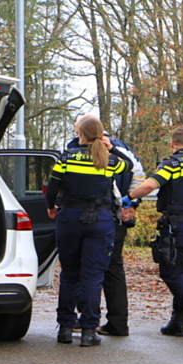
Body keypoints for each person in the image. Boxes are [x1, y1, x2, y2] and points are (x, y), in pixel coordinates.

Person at [123, 127, 183, 338]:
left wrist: (128, 197)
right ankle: (178, 322)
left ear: (173, 145)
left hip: (178, 225)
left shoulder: (172, 164)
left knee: (170, 270)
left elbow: (150, 185)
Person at [46, 117, 133, 347]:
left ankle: (65, 328)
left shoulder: (66, 157)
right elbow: (129, 165)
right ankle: (88, 331)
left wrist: (50, 207)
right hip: (100, 220)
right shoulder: (110, 160)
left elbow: (53, 186)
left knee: (69, 275)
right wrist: (110, 147)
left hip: (70, 218)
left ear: (80, 135)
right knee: (93, 277)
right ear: (101, 135)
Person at [66, 114, 146, 337]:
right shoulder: (121, 149)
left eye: (78, 130)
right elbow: (138, 175)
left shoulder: (78, 150)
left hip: (95, 216)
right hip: (114, 217)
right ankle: (116, 322)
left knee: (86, 268)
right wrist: (131, 205)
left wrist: (130, 204)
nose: (77, 135)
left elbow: (136, 174)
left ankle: (89, 319)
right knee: (112, 271)